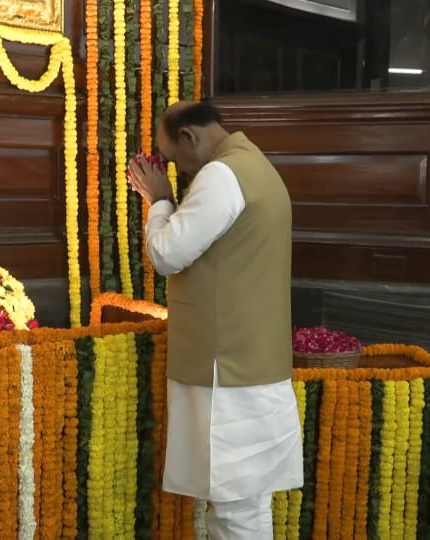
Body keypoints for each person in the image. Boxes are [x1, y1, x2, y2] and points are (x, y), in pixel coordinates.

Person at [127, 100, 303, 539]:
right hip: (251, 362)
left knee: (234, 507)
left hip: (228, 369)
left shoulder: (222, 174)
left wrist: (160, 200)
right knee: (247, 502)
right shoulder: (255, 164)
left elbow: (167, 254)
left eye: (173, 160)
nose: (179, 171)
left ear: (189, 137)